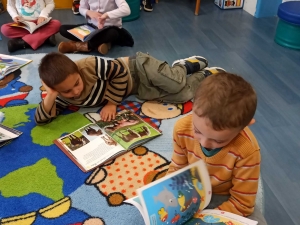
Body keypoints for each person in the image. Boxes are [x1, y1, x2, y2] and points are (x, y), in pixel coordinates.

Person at [166, 73, 267, 224]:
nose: (205, 143)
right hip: (191, 190)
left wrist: (208, 220)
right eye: (198, 131)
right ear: (192, 108)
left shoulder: (248, 150)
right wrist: (170, 191)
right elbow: (177, 167)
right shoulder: (182, 128)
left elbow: (243, 203)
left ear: (244, 126)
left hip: (225, 197)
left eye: (219, 140)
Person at [34, 52, 216, 125]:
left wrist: (112, 103)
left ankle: (183, 67)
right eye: (66, 91)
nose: (75, 92)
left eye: (77, 83)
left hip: (137, 67)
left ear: (77, 71)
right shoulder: (58, 95)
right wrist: (50, 95)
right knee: (184, 94)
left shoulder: (90, 65)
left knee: (175, 82)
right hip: (135, 88)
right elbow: (41, 120)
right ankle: (205, 75)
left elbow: (120, 73)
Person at [58, 0, 134, 55]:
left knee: (113, 33)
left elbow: (126, 10)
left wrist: (106, 15)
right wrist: (88, 12)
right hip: (92, 27)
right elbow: (81, 8)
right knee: (63, 29)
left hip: (110, 27)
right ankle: (102, 44)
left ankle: (78, 46)